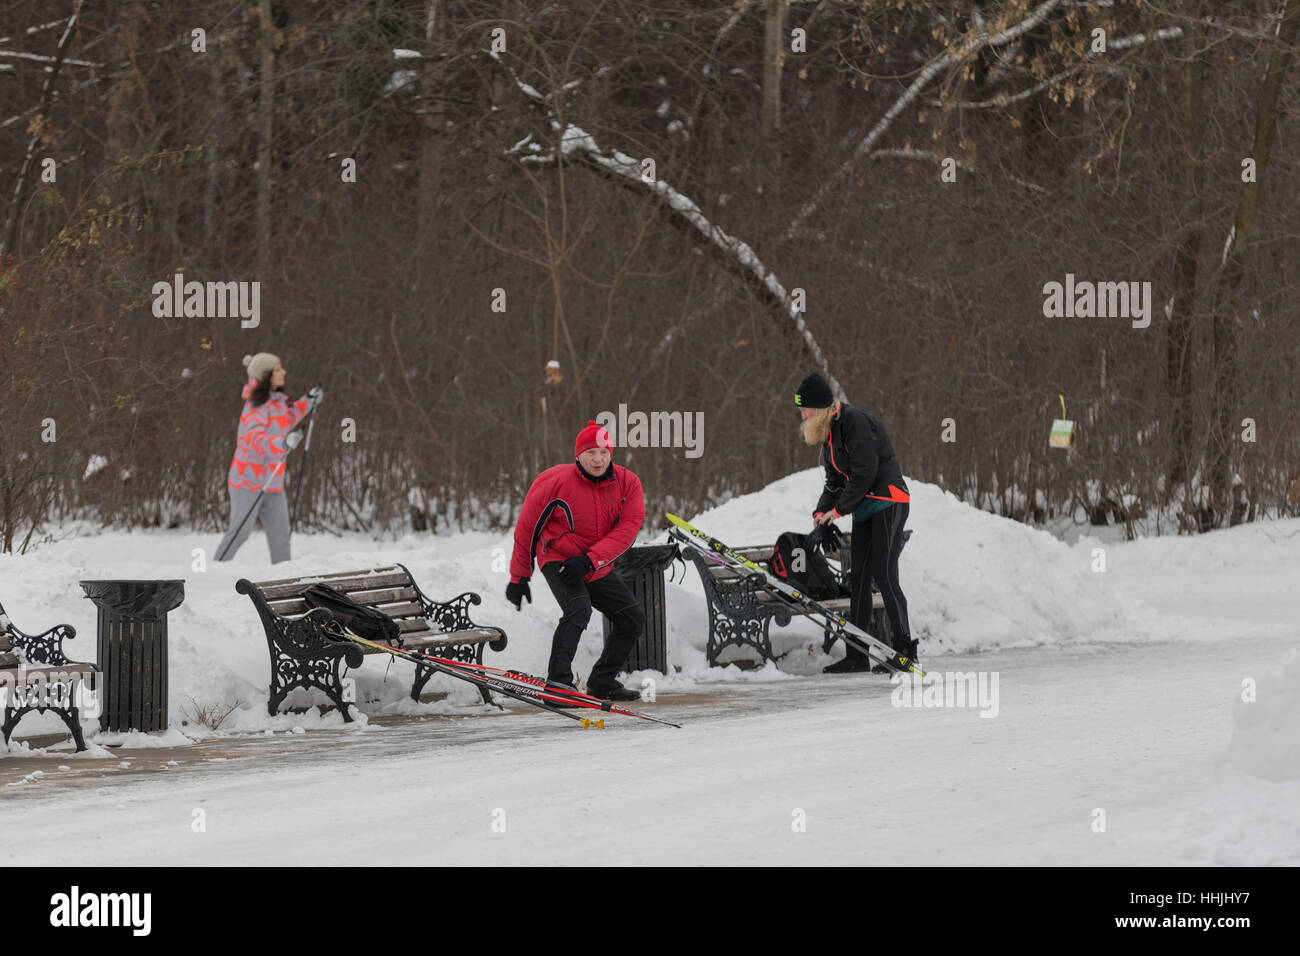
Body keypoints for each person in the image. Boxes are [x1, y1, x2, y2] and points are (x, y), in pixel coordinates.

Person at [506, 420, 646, 702]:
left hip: (594, 563)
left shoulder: (628, 482)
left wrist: (591, 560)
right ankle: (558, 683)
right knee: (578, 609)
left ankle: (602, 682)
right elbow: (527, 528)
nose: (598, 459)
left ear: (611, 453)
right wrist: (519, 576)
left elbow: (629, 527)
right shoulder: (554, 481)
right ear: (578, 455)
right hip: (558, 558)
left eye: (604, 452)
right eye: (591, 452)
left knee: (631, 618)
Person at [795, 372, 917, 673]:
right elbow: (835, 482)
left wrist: (837, 513)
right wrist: (820, 518)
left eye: (804, 409)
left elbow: (865, 471)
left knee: (884, 575)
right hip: (864, 508)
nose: (801, 414)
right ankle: (857, 654)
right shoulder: (830, 435)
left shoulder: (854, 422)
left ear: (820, 409)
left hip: (889, 501)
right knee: (859, 579)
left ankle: (906, 653)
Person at [215, 352, 320, 563]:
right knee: (241, 532)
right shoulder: (255, 406)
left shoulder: (277, 403)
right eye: (278, 369)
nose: (284, 372)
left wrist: (308, 401)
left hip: (273, 482)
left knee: (281, 535)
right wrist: (281, 444)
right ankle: (215, 572)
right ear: (267, 375)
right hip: (247, 481)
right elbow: (254, 438)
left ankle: (283, 581)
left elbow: (288, 418)